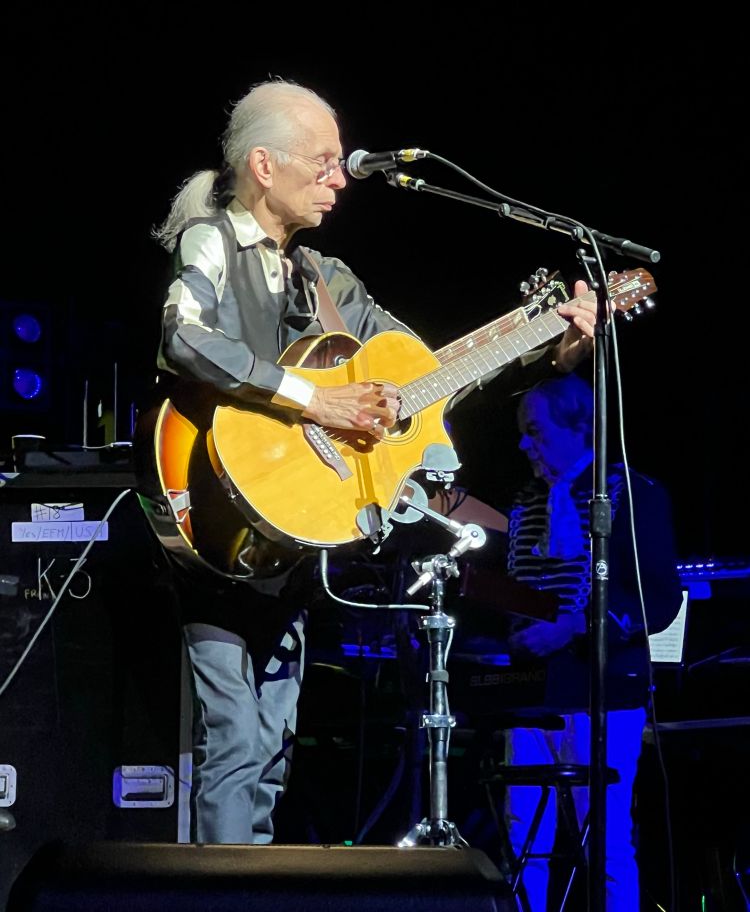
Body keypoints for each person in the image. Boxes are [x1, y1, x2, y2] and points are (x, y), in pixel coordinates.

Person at [137, 77, 599, 846]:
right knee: (236, 740)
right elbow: (184, 338)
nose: (340, 178)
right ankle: (220, 895)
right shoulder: (212, 242)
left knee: (274, 745)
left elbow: (419, 376)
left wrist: (546, 345)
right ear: (263, 166)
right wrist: (315, 402)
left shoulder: (329, 279)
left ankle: (251, 889)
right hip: (210, 519)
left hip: (289, 536)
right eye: (322, 162)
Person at [498, 372, 682, 911]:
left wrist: (575, 627)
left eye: (535, 431)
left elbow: (659, 599)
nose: (523, 445)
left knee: (602, 837)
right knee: (521, 835)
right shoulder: (525, 500)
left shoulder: (633, 494)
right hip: (530, 688)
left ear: (580, 428)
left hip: (603, 690)